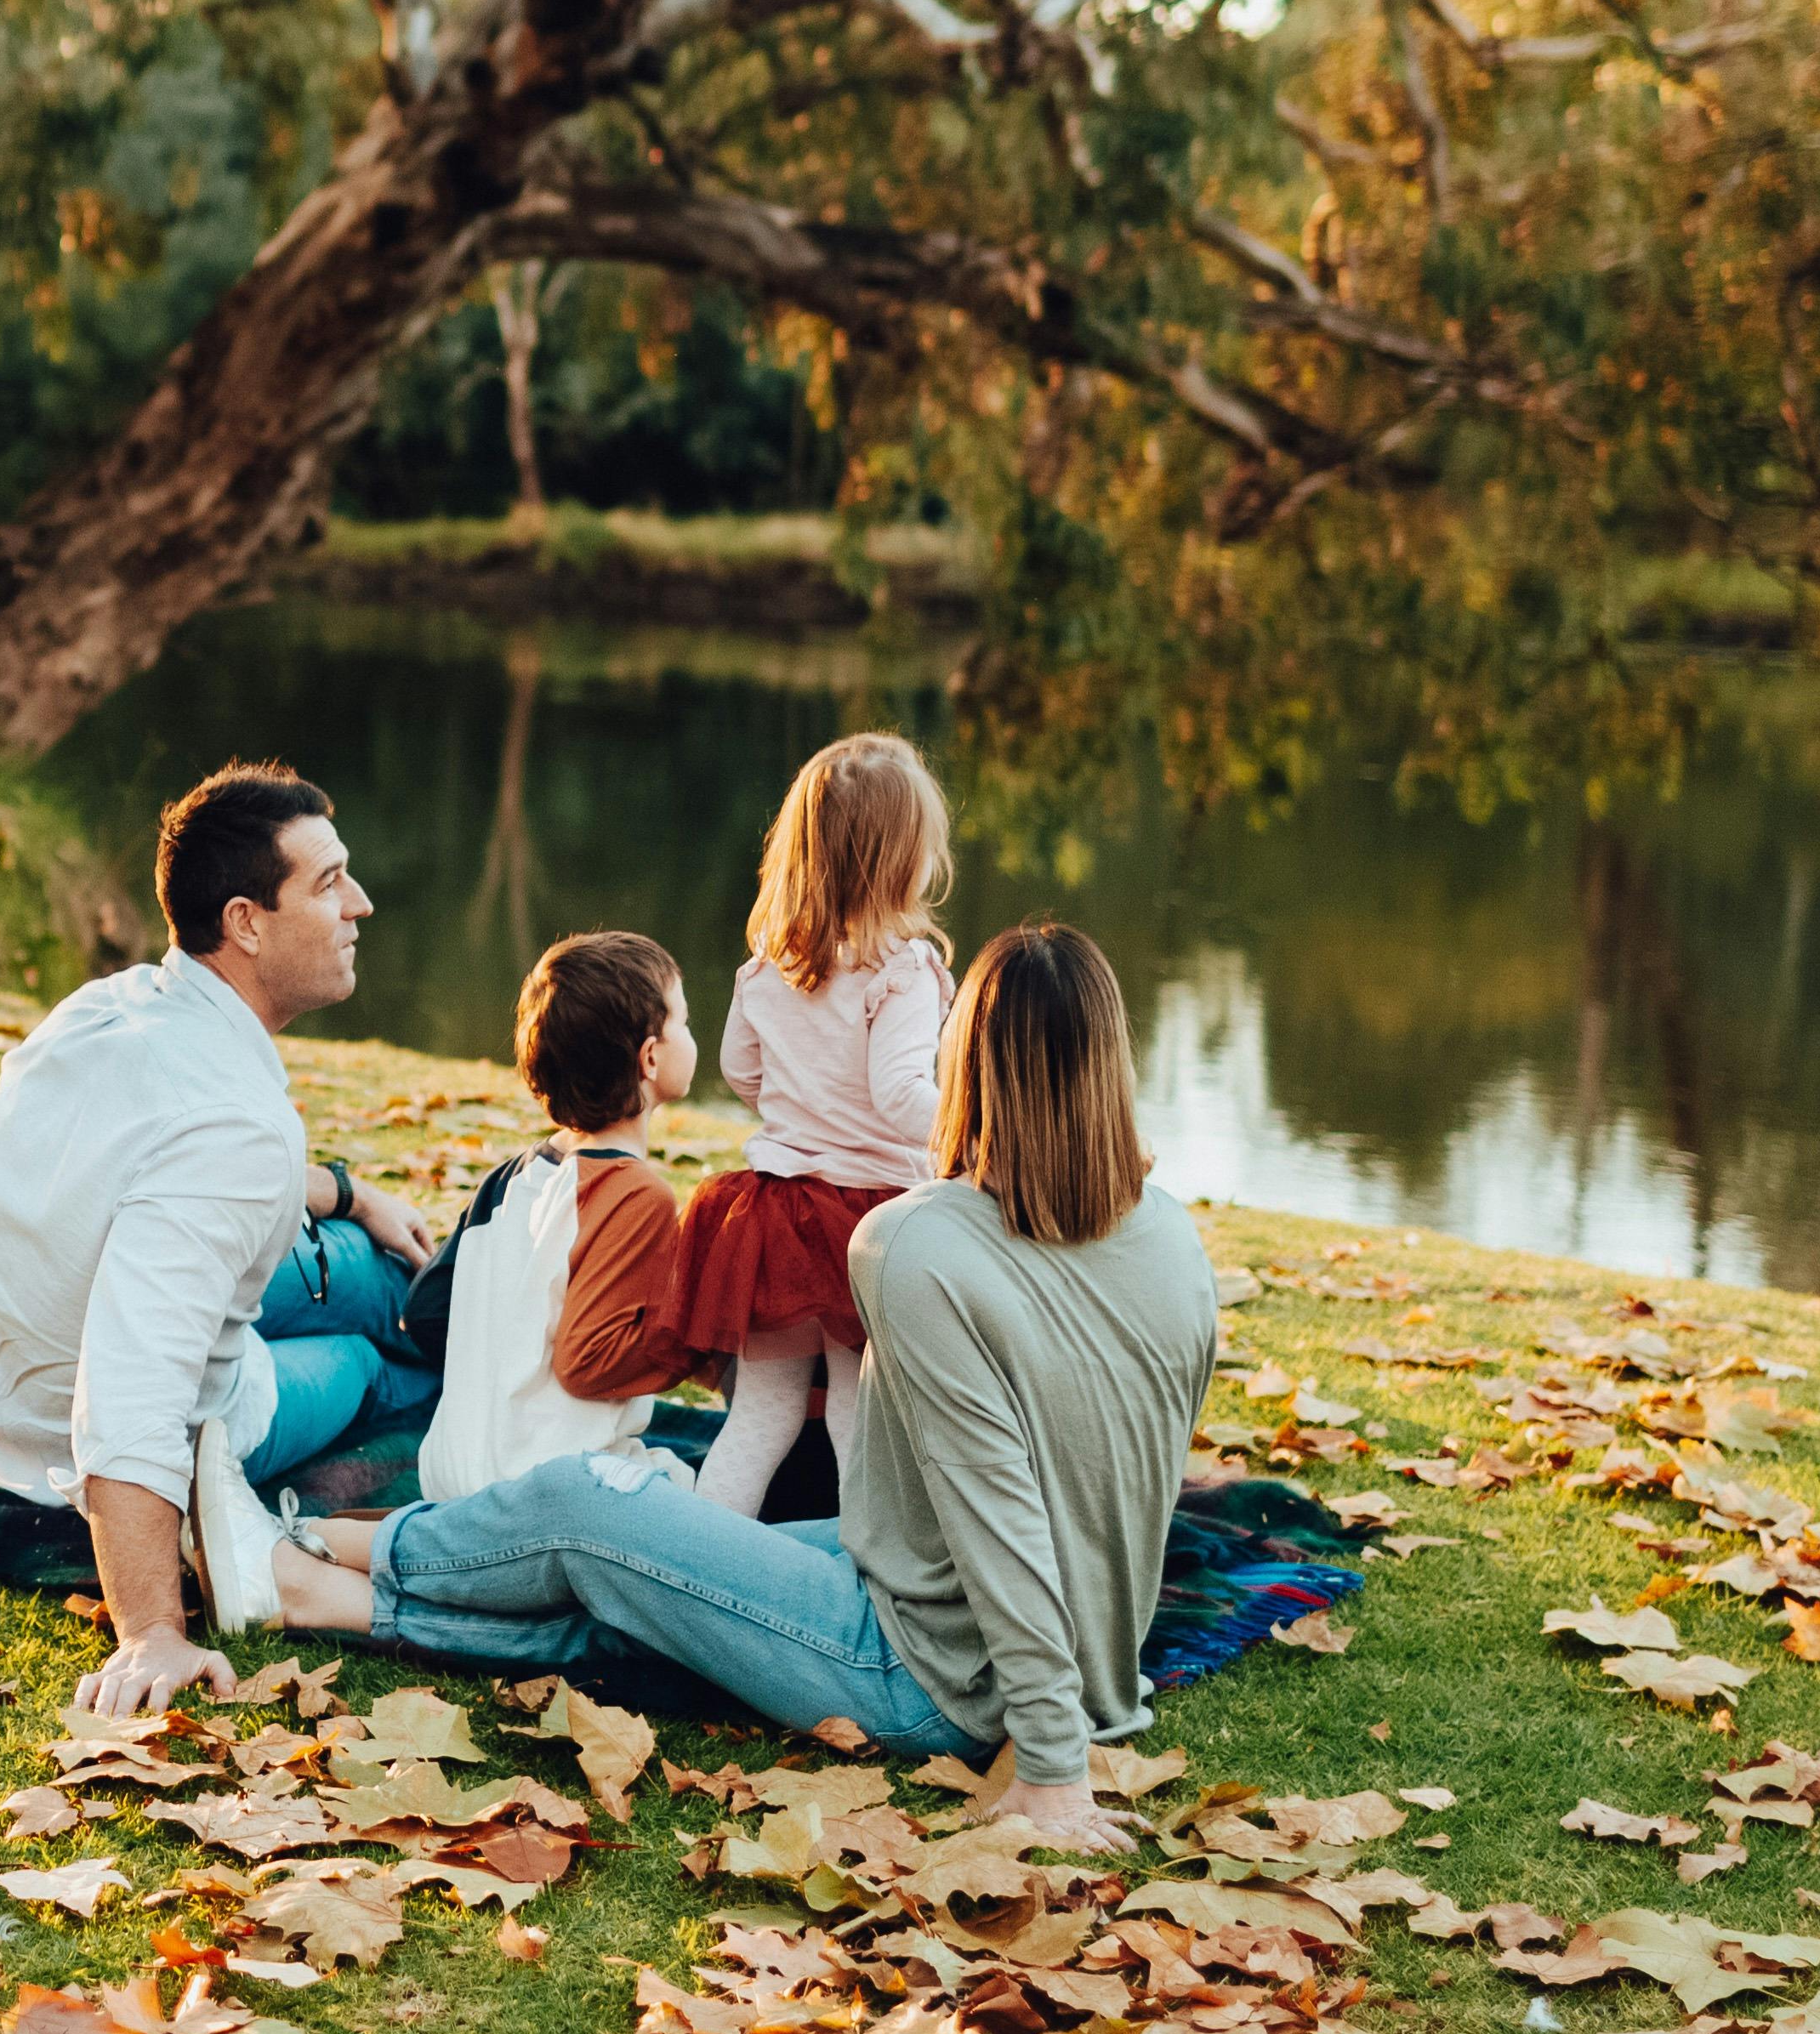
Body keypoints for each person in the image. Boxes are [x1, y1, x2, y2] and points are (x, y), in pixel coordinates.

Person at [268, 922, 1216, 1855]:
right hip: (1014, 1626)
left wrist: (1051, 1760)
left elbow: (998, 1503)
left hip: (923, 1667)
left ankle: (317, 1550)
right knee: (646, 1579)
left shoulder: (916, 1240)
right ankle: (340, 1596)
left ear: (962, 1061)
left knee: (590, 1502)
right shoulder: (1172, 1236)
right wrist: (1086, 1685)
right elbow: (1123, 1482)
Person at [0, 761, 432, 1714]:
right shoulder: (232, 1129)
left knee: (365, 1264)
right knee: (364, 1363)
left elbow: (167, 1169)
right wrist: (151, 1632)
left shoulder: (113, 1008)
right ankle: (454, 1365)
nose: (359, 903)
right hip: (68, 1417)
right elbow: (132, 1385)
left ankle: (436, 1302)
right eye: (327, 884)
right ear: (245, 921)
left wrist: (349, 1193)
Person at [674, 730, 956, 1514]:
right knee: (856, 1413)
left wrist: (799, 1108)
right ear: (902, 859)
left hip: (772, 1211)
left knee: (758, 1415)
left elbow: (739, 1070)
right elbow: (902, 1094)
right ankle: (865, 1569)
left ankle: (702, 1559)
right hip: (864, 1221)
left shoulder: (769, 964)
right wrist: (970, 1134)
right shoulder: (902, 972)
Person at [418, 932, 703, 1502]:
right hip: (543, 1491)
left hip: (449, 1475)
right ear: (650, 1057)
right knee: (698, 1482)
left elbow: (426, 1310)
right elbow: (589, 1361)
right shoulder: (636, 1193)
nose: (693, 1036)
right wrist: (701, 1336)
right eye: (686, 1021)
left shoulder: (510, 1178)